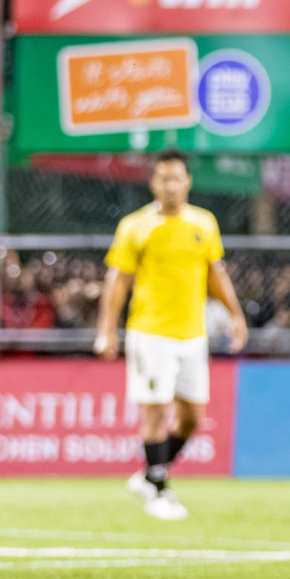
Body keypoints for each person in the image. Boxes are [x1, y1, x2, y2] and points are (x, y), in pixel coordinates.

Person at [95, 151, 248, 520]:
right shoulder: (136, 225)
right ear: (153, 183)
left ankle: (150, 474)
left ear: (188, 181)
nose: (171, 185)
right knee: (156, 411)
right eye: (163, 178)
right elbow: (118, 281)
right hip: (150, 333)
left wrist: (236, 316)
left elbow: (215, 273)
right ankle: (159, 491)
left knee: (193, 418)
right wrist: (106, 331)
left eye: (177, 178)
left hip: (192, 335)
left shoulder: (204, 223)